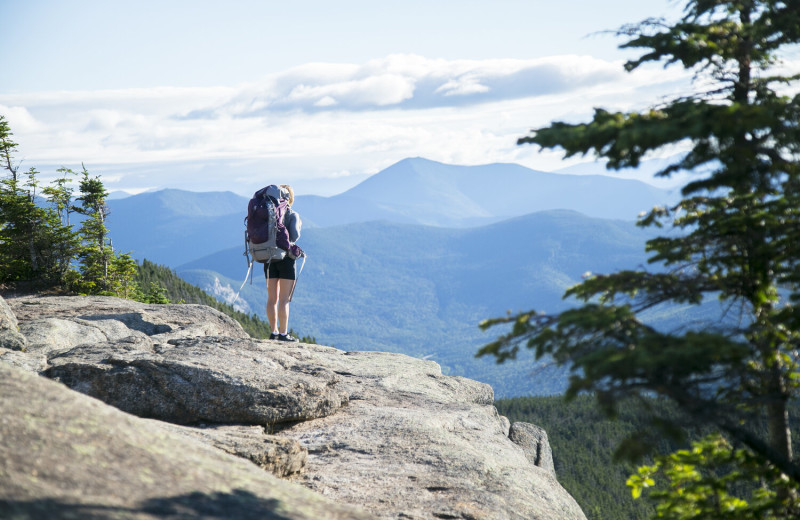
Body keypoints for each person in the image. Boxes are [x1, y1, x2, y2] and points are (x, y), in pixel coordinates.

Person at [266, 184, 302, 342]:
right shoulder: (292, 214)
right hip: (287, 259)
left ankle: (273, 332)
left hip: (268, 257)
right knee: (284, 300)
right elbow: (294, 236)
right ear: (290, 198)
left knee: (271, 299)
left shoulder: (268, 213)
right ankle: (283, 334)